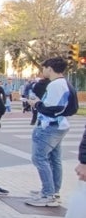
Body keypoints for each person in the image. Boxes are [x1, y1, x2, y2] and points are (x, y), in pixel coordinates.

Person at [25, 57, 71, 207]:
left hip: (49, 125)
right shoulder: (65, 83)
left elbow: (50, 108)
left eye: (44, 68)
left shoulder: (55, 85)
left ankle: (48, 194)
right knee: (54, 159)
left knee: (39, 158)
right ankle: (53, 191)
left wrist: (36, 103)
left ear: (49, 69)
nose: (43, 71)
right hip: (59, 125)